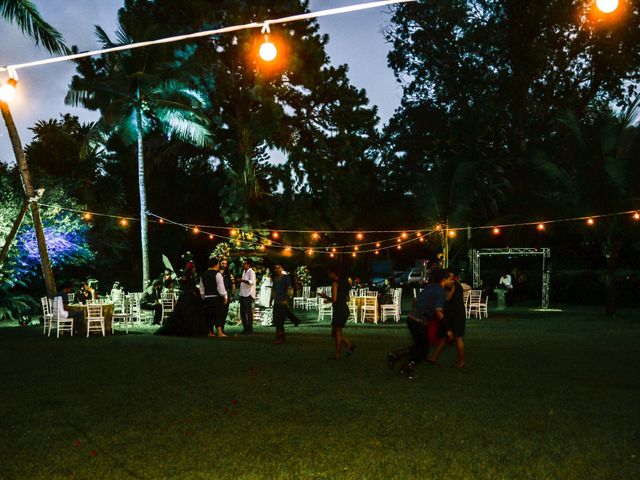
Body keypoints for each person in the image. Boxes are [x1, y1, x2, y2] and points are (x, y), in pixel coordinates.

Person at [387, 269, 453, 379]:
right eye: (451, 279)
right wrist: (448, 330)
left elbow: (416, 300)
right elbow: (439, 312)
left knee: (419, 347)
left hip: (411, 317)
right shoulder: (440, 291)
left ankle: (396, 355)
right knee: (424, 351)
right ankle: (407, 367)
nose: (452, 281)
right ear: (444, 280)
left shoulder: (430, 287)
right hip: (419, 321)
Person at [156, 259, 208, 336]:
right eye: (193, 268)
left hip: (190, 298)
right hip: (187, 298)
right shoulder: (186, 277)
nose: (195, 269)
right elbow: (186, 287)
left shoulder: (191, 276)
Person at [429, 271, 466, 368]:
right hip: (451, 314)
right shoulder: (457, 284)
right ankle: (434, 358)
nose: (447, 279)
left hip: (456, 314)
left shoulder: (453, 285)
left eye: (448, 277)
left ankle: (461, 362)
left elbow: (447, 298)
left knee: (458, 337)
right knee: (444, 336)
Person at [319, 266, 355, 360]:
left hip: (339, 310)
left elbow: (334, 299)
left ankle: (337, 355)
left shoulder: (335, 283)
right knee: (334, 333)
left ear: (333, 273)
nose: (329, 276)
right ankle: (349, 345)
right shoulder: (345, 283)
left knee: (337, 333)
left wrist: (325, 297)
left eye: (329, 274)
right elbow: (347, 298)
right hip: (344, 309)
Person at [270, 264, 300, 344]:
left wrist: (286, 299)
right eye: (275, 268)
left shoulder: (285, 278)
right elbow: (274, 290)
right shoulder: (275, 278)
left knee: (280, 320)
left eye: (278, 267)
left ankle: (280, 338)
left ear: (282, 268)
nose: (277, 269)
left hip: (282, 301)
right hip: (277, 301)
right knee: (277, 320)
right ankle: (281, 337)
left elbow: (289, 288)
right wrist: (271, 299)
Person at [202, 257, 228, 338]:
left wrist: (204, 296)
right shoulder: (217, 274)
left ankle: (210, 332)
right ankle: (219, 332)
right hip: (216, 298)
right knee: (218, 315)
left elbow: (201, 288)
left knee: (209, 315)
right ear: (216, 264)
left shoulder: (204, 274)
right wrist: (225, 297)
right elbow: (221, 288)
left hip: (207, 297)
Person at [239, 259, 256, 334]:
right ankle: (245, 328)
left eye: (245, 263)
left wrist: (242, 280)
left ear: (248, 264)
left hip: (248, 294)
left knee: (248, 312)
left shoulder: (251, 272)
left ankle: (249, 328)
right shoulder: (244, 272)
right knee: (242, 312)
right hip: (243, 293)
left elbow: (251, 282)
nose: (243, 265)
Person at [219, 258, 235, 325]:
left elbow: (233, 284)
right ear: (220, 263)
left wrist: (232, 295)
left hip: (227, 293)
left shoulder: (229, 274)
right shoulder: (216, 273)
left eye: (225, 264)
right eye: (223, 263)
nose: (224, 265)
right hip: (218, 294)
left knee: (225, 312)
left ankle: (221, 328)